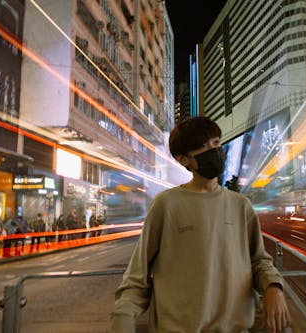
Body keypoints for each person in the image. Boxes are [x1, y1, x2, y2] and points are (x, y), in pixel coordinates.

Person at [111, 116, 290, 332]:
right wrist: (122, 318)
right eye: (203, 147)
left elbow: (259, 261)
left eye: (216, 143)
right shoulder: (166, 205)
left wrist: (273, 288)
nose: (214, 150)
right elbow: (137, 277)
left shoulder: (240, 205)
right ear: (183, 159)